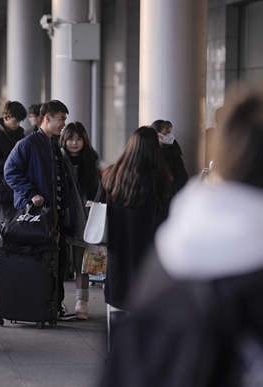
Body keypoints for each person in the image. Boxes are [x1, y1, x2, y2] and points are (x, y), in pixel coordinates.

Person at [100, 85, 263, 387]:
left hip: (125, 253)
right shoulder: (160, 179)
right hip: (142, 246)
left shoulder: (175, 257)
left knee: (120, 299)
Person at [4, 99, 76, 321]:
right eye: (61, 119)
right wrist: (31, 193)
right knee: (43, 261)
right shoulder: (28, 143)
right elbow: (10, 171)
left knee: (58, 260)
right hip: (37, 215)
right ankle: (46, 305)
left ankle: (54, 305)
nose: (64, 123)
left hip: (52, 215)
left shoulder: (52, 144)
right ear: (48, 118)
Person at [101, 126, 173, 328]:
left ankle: (114, 353)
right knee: (143, 297)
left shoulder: (112, 173)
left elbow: (99, 204)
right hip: (146, 245)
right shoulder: (157, 177)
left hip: (116, 244)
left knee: (118, 297)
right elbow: (165, 211)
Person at [59, 121, 101, 320]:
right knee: (60, 261)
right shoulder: (58, 158)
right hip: (62, 214)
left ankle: (81, 302)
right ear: (64, 140)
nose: (74, 143)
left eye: (79, 139)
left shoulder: (90, 160)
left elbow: (97, 189)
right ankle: (56, 300)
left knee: (80, 262)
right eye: (70, 138)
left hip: (84, 216)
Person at [0, 101, 27, 270]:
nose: (17, 125)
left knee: (14, 224)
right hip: (0, 188)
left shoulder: (19, 133)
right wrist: (13, 159)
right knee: (2, 224)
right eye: (15, 121)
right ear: (6, 117)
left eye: (19, 122)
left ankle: (9, 256)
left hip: (15, 187)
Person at [151, 119, 188, 192]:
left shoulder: (174, 147)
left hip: (169, 190)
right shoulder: (150, 149)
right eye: (167, 130)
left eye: (170, 129)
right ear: (157, 134)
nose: (170, 132)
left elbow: (180, 173)